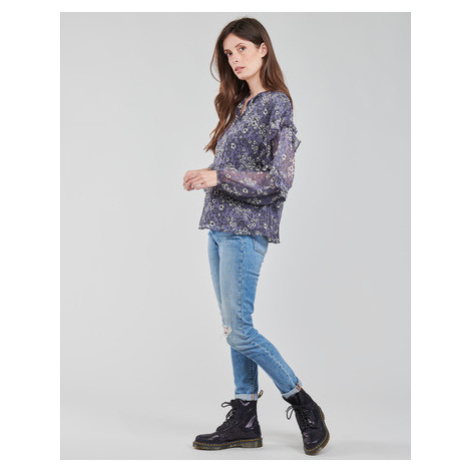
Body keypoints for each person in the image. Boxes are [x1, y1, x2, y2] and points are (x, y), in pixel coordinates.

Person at [183, 17, 330, 456]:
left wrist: (219, 176)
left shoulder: (276, 105)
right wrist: (209, 175)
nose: (235, 59)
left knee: (240, 330)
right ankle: (245, 417)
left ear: (263, 48)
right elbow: (237, 169)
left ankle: (303, 403)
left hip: (246, 232)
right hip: (219, 229)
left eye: (242, 49)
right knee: (233, 329)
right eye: (228, 54)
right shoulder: (240, 106)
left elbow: (279, 180)